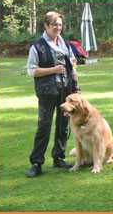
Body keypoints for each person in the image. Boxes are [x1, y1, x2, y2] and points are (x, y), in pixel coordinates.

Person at [26, 11, 79, 178]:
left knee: (63, 126)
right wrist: (53, 70)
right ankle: (36, 163)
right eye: (55, 24)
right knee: (44, 127)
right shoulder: (38, 46)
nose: (58, 28)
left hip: (66, 92)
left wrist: (75, 85)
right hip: (47, 92)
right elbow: (31, 71)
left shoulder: (66, 45)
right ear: (46, 26)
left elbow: (73, 66)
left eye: (60, 25)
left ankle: (58, 157)